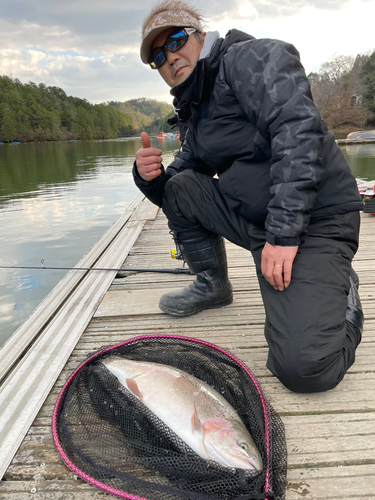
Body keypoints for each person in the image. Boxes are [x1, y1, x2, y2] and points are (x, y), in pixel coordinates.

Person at [133, 0, 364, 393]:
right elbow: (178, 185)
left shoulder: (252, 58)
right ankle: (212, 286)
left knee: (304, 369)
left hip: (317, 221)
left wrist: (284, 236)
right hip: (262, 224)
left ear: (200, 36)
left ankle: (344, 293)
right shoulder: (195, 108)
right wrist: (147, 177)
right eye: (158, 57)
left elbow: (298, 131)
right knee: (181, 186)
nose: (170, 58)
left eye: (175, 41)